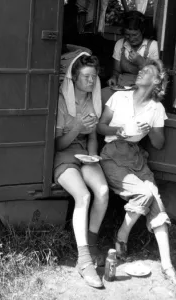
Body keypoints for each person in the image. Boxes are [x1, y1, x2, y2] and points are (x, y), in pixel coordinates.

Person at [97, 59, 176, 287]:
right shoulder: (120, 96)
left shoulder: (156, 108)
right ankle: (122, 236)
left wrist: (148, 131)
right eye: (141, 69)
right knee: (144, 194)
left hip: (135, 156)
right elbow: (101, 126)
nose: (140, 73)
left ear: (156, 81)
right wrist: (122, 130)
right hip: (112, 153)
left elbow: (158, 144)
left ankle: (168, 266)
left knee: (155, 199)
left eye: (146, 71)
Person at [54, 53, 109, 289]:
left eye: (94, 77)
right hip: (63, 155)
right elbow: (57, 144)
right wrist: (76, 127)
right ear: (74, 77)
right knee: (83, 196)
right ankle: (84, 260)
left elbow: (94, 136)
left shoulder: (93, 101)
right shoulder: (61, 101)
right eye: (86, 76)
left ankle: (93, 242)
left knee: (103, 191)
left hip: (84, 154)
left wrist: (93, 156)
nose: (91, 81)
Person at [101, 10, 159, 107]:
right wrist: (114, 78)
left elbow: (156, 77)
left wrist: (141, 62)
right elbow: (116, 71)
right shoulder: (120, 44)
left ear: (142, 31)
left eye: (134, 35)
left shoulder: (152, 46)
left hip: (143, 88)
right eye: (127, 35)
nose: (131, 38)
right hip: (123, 85)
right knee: (103, 94)